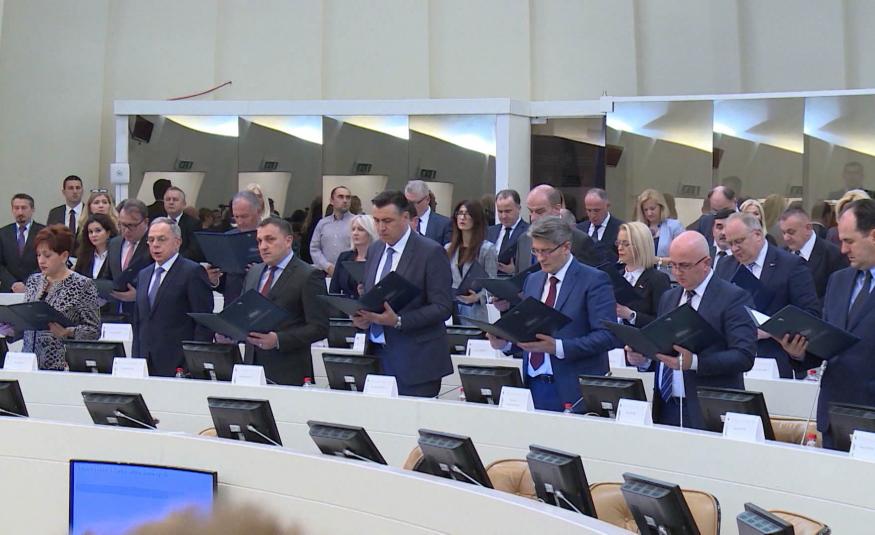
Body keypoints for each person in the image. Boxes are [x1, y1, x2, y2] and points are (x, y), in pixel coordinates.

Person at [626, 231, 756, 428]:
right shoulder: (669, 297)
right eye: (673, 265)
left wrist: (695, 362)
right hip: (666, 406)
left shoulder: (733, 297)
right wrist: (644, 359)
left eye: (684, 266)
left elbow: (744, 356)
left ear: (706, 263)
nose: (677, 272)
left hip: (708, 409)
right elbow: (667, 352)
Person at [487, 216, 617, 412]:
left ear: (566, 247)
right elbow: (530, 334)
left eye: (546, 251)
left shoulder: (593, 280)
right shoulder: (533, 280)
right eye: (536, 250)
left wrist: (558, 347)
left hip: (574, 389)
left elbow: (607, 336)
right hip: (533, 384)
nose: (540, 258)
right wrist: (505, 343)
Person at [780, 199, 875, 449]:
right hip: (834, 414)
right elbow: (828, 341)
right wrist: (799, 352)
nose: (843, 249)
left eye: (850, 241)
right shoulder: (839, 281)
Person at [351, 191, 453, 397]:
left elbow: (442, 307)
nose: (381, 227)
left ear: (406, 217)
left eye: (387, 221)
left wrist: (398, 321)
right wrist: (362, 317)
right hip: (376, 354)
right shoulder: (375, 249)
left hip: (417, 360)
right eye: (377, 221)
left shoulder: (430, 252)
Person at [715, 212, 820, 379]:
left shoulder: (791, 265)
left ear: (757, 235)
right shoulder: (725, 266)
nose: (734, 248)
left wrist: (772, 329)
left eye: (739, 241)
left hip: (777, 360)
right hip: (734, 361)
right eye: (730, 243)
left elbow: (810, 314)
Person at [236, 218, 329, 385]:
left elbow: (320, 327)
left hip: (289, 371)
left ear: (288, 241)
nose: (263, 246)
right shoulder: (254, 272)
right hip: (252, 367)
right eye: (259, 241)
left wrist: (279, 340)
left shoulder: (308, 275)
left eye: (270, 239)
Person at [4, 225, 99, 370]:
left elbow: (93, 330)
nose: (41, 261)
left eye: (47, 256)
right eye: (38, 255)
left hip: (62, 365)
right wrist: (13, 330)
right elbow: (28, 324)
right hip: (28, 364)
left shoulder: (82, 285)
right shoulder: (34, 281)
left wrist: (67, 332)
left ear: (64, 256)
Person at [132, 218, 213, 376]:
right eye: (151, 240)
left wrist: (193, 363)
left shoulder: (192, 272)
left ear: (177, 242)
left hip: (179, 364)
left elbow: (204, 323)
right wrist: (136, 359)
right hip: (145, 362)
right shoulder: (144, 274)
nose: (155, 244)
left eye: (162, 239)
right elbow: (139, 321)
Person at [512, 185, 601, 275]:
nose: (533, 218)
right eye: (531, 211)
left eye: (540, 212)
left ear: (557, 209)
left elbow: (587, 278)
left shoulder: (580, 241)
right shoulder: (523, 240)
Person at [779, 207, 847, 305]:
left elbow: (837, 295)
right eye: (783, 233)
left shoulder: (833, 255)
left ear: (808, 228)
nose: (786, 238)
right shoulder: (781, 254)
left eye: (791, 232)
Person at [206, 190, 263, 306]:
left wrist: (259, 273)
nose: (240, 222)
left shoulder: (271, 238)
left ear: (258, 212)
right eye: (236, 217)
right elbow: (224, 282)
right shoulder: (228, 238)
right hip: (232, 304)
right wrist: (214, 279)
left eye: (244, 216)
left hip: (261, 304)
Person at [446, 199, 497, 324]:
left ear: (476, 218)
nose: (462, 217)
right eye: (460, 213)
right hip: (452, 310)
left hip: (475, 312)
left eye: (467, 214)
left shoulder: (487, 249)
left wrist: (478, 297)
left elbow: (493, 283)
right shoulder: (448, 248)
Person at [614, 222, 671, 328]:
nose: (620, 248)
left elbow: (663, 322)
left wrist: (631, 315)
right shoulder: (616, 276)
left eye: (626, 244)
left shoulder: (657, 279)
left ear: (641, 246)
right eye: (618, 243)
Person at [108, 199, 152, 320]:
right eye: (122, 224)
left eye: (132, 225)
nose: (126, 230)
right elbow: (109, 275)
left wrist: (139, 295)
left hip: (143, 316)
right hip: (116, 314)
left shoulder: (154, 246)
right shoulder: (114, 244)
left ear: (146, 222)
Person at [0, 193, 46, 293]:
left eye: (24, 208)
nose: (20, 212)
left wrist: (27, 283)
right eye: (16, 208)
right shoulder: (3, 233)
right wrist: (12, 283)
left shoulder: (44, 232)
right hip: (8, 290)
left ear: (32, 209)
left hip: (36, 289)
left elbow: (47, 261)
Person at [635, 188, 684, 273]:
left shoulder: (674, 226)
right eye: (645, 210)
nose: (649, 213)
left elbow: (683, 257)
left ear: (661, 207)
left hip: (668, 277)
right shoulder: (638, 227)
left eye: (652, 209)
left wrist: (657, 260)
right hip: (643, 276)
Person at [329, 214, 378, 297]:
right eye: (353, 229)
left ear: (370, 233)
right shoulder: (344, 257)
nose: (355, 233)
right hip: (345, 304)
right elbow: (334, 289)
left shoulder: (378, 258)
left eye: (360, 229)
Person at [310, 185, 354, 276]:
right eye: (340, 197)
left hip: (349, 273)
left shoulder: (356, 222)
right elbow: (314, 248)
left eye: (348, 197)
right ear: (331, 201)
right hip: (325, 273)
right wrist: (327, 266)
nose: (345, 200)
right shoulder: (322, 224)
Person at [487, 189, 528, 275]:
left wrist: (515, 271)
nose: (503, 216)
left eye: (508, 211)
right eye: (500, 211)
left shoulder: (529, 232)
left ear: (519, 209)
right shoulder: (489, 231)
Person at [577, 187, 624, 262]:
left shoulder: (621, 229)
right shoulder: (579, 229)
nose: (593, 215)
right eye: (589, 210)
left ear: (607, 206)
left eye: (596, 210)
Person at [405, 180, 452, 245]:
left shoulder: (445, 224)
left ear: (427, 199)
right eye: (408, 202)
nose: (410, 206)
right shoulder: (401, 221)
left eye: (414, 203)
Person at [162, 186, 203, 261]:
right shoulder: (157, 222)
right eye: (168, 199)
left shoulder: (193, 224)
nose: (171, 202)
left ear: (184, 204)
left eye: (175, 200)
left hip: (182, 263)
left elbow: (194, 250)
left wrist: (172, 260)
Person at [73, 214, 117, 281]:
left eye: (98, 231)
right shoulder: (83, 256)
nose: (93, 235)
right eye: (90, 232)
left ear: (108, 233)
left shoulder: (116, 255)